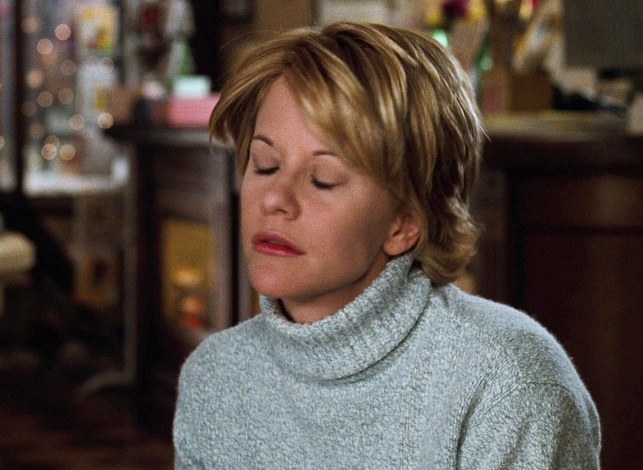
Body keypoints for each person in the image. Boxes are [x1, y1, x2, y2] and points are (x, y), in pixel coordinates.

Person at [172, 21, 601, 469]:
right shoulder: (213, 378)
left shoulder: (508, 384)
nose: (275, 199)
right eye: (264, 165)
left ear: (405, 222)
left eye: (323, 179)